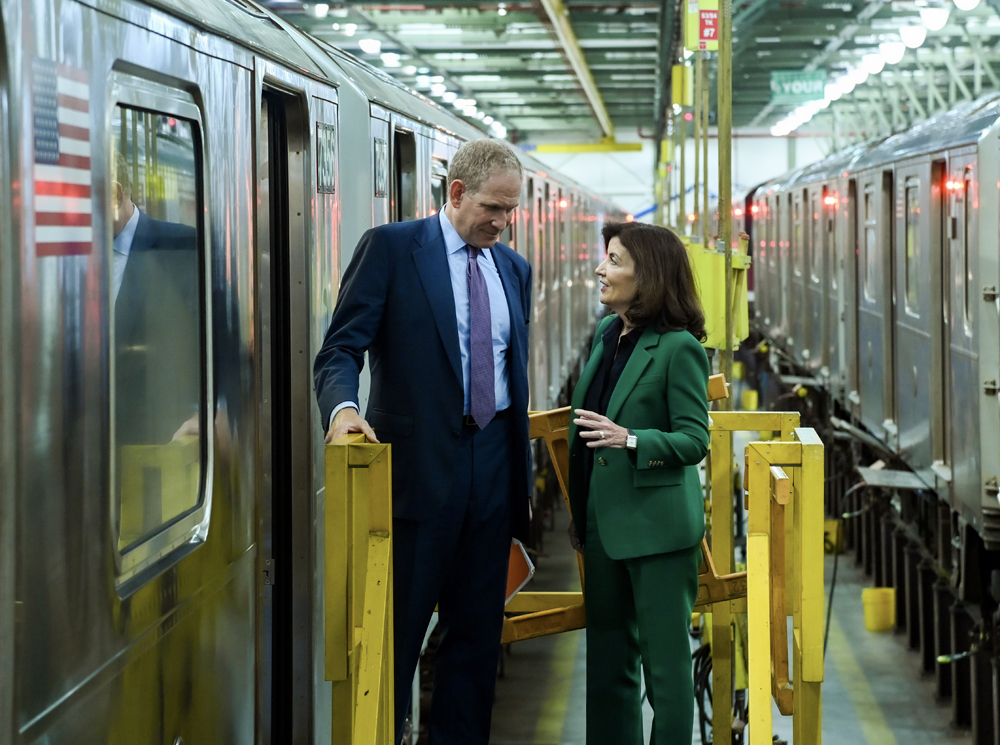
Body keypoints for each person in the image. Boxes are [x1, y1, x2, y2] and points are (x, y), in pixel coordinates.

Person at [313, 138, 532, 745]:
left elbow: (510, 368)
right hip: (415, 476)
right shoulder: (391, 249)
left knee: (474, 643)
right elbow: (339, 349)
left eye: (511, 211)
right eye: (493, 208)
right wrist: (343, 411)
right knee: (395, 641)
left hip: (491, 471)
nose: (502, 222)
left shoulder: (513, 269)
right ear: (456, 193)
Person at [567, 221, 709, 745]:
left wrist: (631, 440)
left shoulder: (679, 350)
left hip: (658, 532)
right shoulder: (610, 335)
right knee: (607, 664)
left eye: (614, 260)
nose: (601, 269)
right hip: (603, 525)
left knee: (666, 674)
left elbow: (694, 441)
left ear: (646, 276)